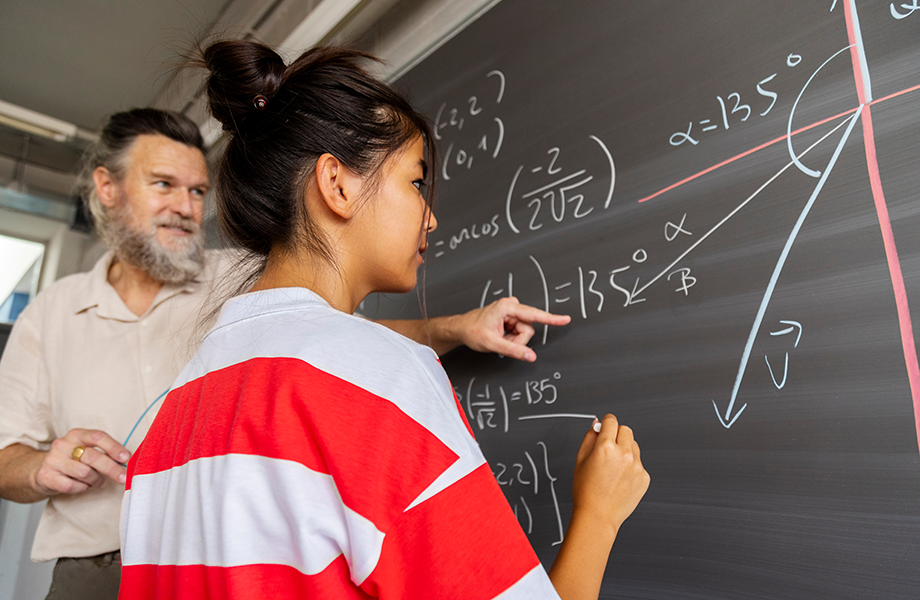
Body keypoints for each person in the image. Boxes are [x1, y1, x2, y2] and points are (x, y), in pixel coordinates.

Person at [118, 42, 649, 600]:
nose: (432, 216)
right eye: (416, 182)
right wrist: (598, 515)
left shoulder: (168, 418)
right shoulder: (382, 380)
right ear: (337, 185)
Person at [0, 107, 568, 600]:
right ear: (107, 187)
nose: (184, 206)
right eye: (164, 185)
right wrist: (41, 465)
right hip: (113, 563)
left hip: (244, 556)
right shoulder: (50, 312)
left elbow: (334, 348)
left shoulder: (245, 277)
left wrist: (456, 327)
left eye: (198, 191)